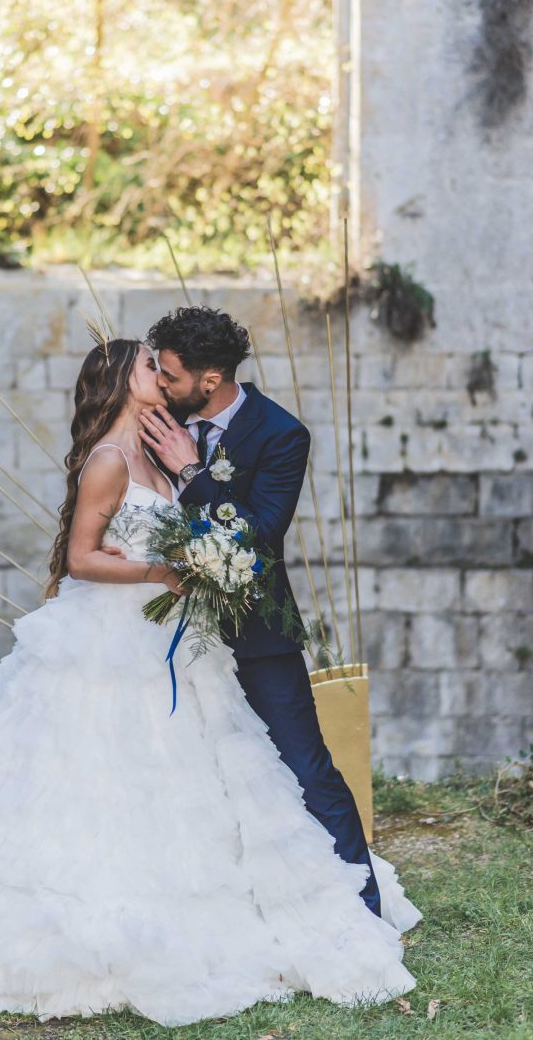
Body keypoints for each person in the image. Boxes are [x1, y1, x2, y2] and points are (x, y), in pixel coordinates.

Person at [0, 336, 422, 1028]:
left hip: (172, 644)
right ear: (121, 381)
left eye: (165, 367)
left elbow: (229, 527)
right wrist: (161, 572)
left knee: (195, 772)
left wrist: (190, 504)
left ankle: (307, 906)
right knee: (96, 770)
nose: (159, 376)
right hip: (110, 640)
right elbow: (81, 558)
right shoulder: (109, 460)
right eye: (148, 365)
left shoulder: (163, 451)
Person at [140, 305, 384, 919]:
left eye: (170, 376)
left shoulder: (280, 433)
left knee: (305, 766)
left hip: (255, 631)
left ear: (212, 377)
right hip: (167, 631)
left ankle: (362, 906)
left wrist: (191, 472)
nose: (161, 385)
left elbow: (261, 533)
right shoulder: (159, 418)